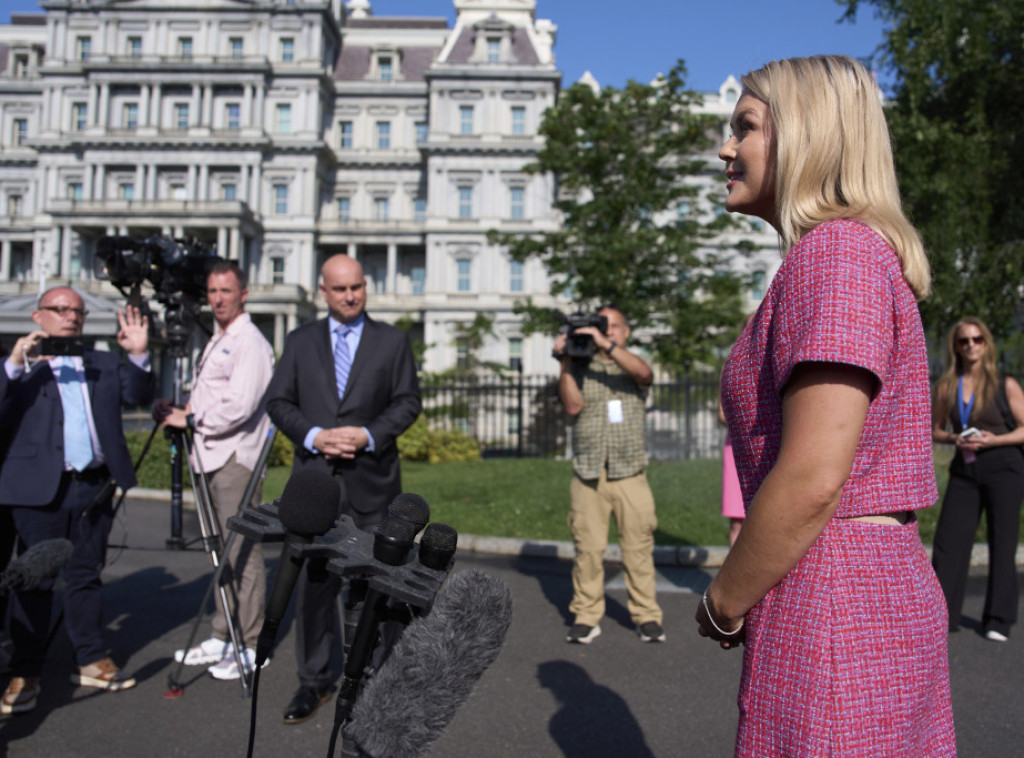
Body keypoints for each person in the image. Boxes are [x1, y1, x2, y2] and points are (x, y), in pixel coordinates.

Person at [695, 55, 955, 755]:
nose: (725, 149)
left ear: (806, 135)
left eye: (745, 127)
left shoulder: (835, 254)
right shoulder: (846, 254)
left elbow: (814, 477)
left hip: (834, 593)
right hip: (855, 586)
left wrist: (723, 601)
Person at [265, 253, 421, 724]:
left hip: (373, 483)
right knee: (314, 590)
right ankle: (314, 682)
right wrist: (314, 435)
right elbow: (278, 401)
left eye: (357, 287)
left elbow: (407, 402)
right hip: (317, 488)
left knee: (376, 591)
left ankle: (376, 686)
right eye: (340, 289)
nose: (350, 296)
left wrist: (368, 434)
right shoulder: (300, 341)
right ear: (323, 291)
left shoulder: (392, 341)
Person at [0, 287, 154, 715]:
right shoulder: (21, 365)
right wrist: (15, 365)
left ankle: (89, 657)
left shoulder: (102, 362)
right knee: (34, 580)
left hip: (92, 486)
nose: (71, 316)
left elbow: (138, 395)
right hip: (36, 489)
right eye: (60, 309)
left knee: (86, 574)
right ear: (38, 316)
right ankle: (25, 670)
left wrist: (138, 355)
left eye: (78, 311)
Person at [160, 261, 276, 678]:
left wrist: (191, 419)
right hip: (207, 455)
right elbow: (211, 394)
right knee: (218, 549)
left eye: (226, 291)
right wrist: (185, 411)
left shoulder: (251, 342)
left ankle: (251, 643)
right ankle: (224, 633)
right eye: (212, 291)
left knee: (241, 551)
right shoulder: (218, 339)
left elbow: (240, 405)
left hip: (234, 459)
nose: (218, 299)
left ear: (243, 294)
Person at [554, 305, 665, 645]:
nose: (607, 331)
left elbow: (645, 374)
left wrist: (606, 344)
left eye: (613, 325)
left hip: (629, 471)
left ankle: (647, 615)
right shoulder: (580, 365)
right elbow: (572, 406)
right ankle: (586, 616)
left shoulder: (631, 362)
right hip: (588, 472)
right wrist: (565, 360)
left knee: (638, 548)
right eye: (601, 325)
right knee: (587, 550)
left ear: (625, 331)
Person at [930, 317, 1024, 642]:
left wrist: (994, 440)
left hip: (1004, 467)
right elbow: (935, 429)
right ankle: (941, 616)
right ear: (955, 347)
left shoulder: (1003, 384)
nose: (971, 345)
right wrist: (954, 438)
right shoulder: (948, 386)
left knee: (1002, 542)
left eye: (976, 339)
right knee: (948, 543)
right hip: (966, 469)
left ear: (986, 343)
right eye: (963, 340)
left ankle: (998, 619)